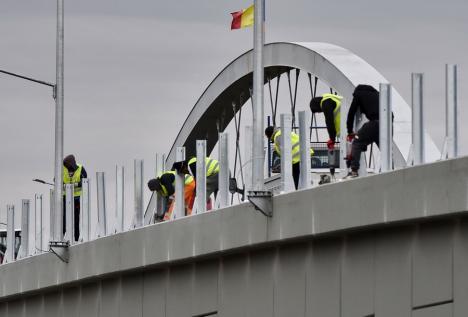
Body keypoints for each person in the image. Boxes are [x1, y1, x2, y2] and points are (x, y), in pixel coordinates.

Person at [345, 84, 383, 178]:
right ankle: (392, 168)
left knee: (357, 142)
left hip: (375, 123)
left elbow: (351, 113)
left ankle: (354, 171)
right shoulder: (377, 94)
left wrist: (350, 131)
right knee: (384, 148)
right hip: (387, 123)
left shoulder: (359, 94)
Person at [63, 154, 87, 241]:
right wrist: (63, 185)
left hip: (76, 198)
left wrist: (75, 185)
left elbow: (85, 180)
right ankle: (61, 238)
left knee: (76, 220)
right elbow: (56, 179)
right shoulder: (63, 169)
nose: (67, 166)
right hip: (65, 198)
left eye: (68, 165)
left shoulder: (80, 168)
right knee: (64, 219)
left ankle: (76, 239)